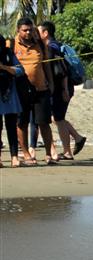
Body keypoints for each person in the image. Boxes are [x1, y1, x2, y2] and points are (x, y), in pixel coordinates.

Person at [38, 21, 85, 161]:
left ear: (46, 33)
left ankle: (69, 150)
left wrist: (64, 89)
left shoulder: (52, 48)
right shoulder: (57, 46)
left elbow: (62, 71)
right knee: (57, 118)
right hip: (61, 88)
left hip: (60, 88)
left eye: (38, 31)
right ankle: (76, 140)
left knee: (58, 118)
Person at [13, 18, 55, 165]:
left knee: (44, 123)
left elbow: (46, 66)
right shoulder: (11, 44)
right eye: (25, 30)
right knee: (22, 123)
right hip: (20, 91)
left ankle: (49, 154)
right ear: (18, 30)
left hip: (41, 89)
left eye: (30, 29)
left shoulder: (40, 45)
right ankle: (26, 155)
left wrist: (51, 83)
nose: (28, 32)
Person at [0, 35, 24, 167]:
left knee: (11, 127)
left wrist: (4, 68)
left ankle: (14, 156)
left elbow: (20, 70)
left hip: (9, 95)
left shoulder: (8, 53)